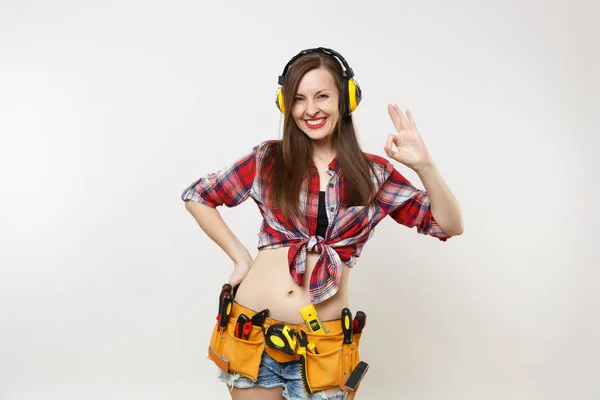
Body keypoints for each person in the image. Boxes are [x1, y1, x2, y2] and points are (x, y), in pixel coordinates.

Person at [181, 47, 463, 400]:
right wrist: (240, 258)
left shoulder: (374, 173)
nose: (310, 109)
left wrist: (424, 166)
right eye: (299, 98)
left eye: (322, 96)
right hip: (251, 331)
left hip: (324, 346)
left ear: (346, 99)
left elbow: (448, 225)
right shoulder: (268, 160)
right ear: (286, 105)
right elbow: (197, 195)